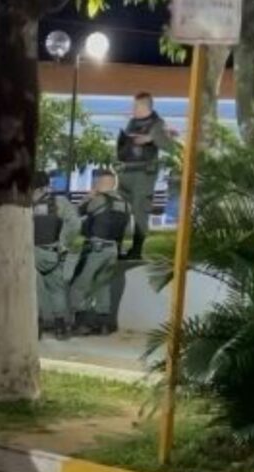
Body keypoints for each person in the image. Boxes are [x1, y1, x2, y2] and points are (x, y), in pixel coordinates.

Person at [70, 169, 131, 336]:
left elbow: (75, 213)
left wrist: (87, 197)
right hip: (113, 250)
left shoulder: (98, 200)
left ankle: (83, 324)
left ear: (99, 183)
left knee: (80, 286)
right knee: (103, 287)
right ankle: (104, 325)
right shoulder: (125, 204)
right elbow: (128, 230)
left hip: (95, 249)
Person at [116, 92, 172, 260]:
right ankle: (116, 247)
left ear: (145, 106)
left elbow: (168, 145)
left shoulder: (158, 124)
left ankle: (136, 250)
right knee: (120, 209)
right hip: (126, 171)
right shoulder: (132, 123)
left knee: (140, 210)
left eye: (136, 106)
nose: (132, 109)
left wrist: (150, 138)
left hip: (144, 173)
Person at [32, 171, 80, 340]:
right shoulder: (60, 202)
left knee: (32, 292)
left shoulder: (24, 205)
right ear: (47, 185)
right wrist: (62, 243)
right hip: (52, 253)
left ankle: (35, 328)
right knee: (57, 291)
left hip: (30, 253)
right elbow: (75, 224)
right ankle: (60, 328)